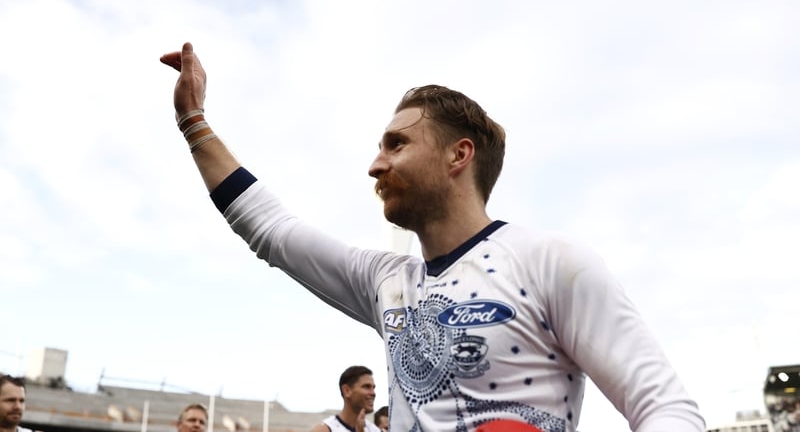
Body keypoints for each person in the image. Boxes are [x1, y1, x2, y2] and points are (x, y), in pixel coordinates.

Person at [160, 42, 706, 432]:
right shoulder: (386, 281)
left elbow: (665, 408)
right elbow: (272, 231)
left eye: (396, 144)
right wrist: (194, 122)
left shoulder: (553, 263)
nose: (375, 164)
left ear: (458, 155)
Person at [310, 366, 381, 432]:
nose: (373, 393)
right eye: (366, 387)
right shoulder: (325, 429)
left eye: (373, 388)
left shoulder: (376, 430)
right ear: (347, 390)